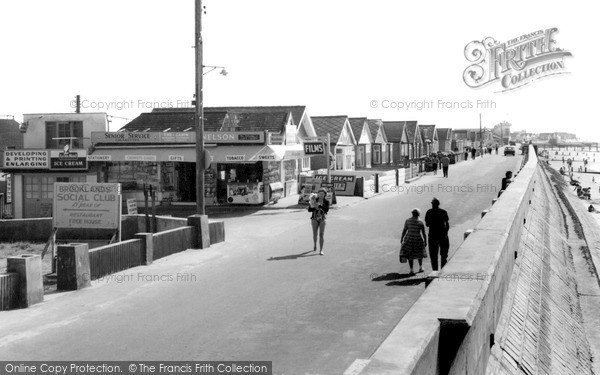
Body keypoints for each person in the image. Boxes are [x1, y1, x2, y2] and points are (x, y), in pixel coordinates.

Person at [400, 208, 427, 275]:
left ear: (412, 213)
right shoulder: (420, 222)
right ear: (418, 214)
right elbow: (423, 233)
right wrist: (425, 241)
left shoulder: (408, 221)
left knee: (410, 255)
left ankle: (411, 270)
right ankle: (420, 267)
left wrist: (402, 238)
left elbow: (404, 230)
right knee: (419, 253)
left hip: (409, 239)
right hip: (418, 239)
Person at [425, 198, 450, 271]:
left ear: (432, 204)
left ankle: (435, 271)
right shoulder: (443, 212)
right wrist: (445, 233)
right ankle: (443, 270)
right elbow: (447, 224)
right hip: (442, 235)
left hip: (433, 236)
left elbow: (427, 224)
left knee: (433, 256)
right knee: (444, 255)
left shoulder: (429, 212)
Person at [308, 188, 330, 255]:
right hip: (314, 219)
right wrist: (314, 206)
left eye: (322, 194)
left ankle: (321, 250)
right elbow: (309, 210)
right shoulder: (314, 199)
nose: (321, 195)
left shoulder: (326, 202)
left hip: (322, 219)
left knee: (321, 235)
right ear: (318, 194)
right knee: (315, 234)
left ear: (325, 194)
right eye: (320, 193)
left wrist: (320, 206)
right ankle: (315, 245)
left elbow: (326, 210)